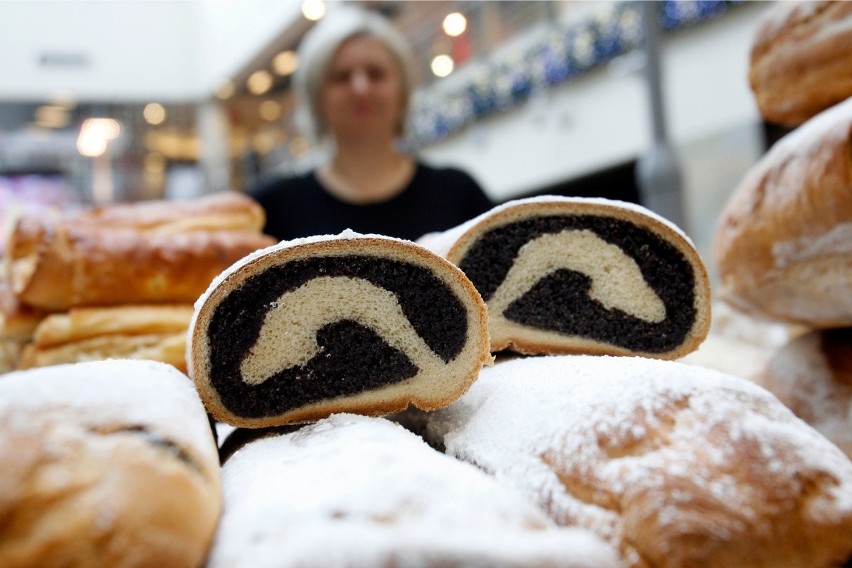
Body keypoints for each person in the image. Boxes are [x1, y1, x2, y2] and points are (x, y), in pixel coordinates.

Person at [249, 5, 493, 242]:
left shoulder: (458, 194)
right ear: (316, 99)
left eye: (376, 73)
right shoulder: (271, 211)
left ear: (402, 92)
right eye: (341, 76)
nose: (361, 88)